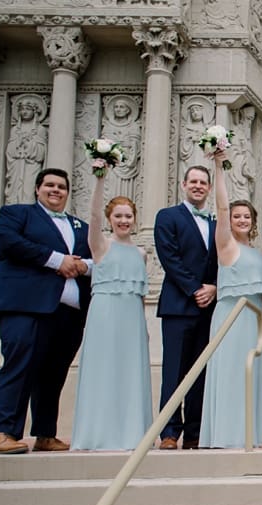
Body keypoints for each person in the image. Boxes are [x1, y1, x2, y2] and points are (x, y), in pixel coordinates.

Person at [0, 168, 91, 454]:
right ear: (37, 189)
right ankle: (3, 431)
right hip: (25, 306)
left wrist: (84, 266)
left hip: (67, 312)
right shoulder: (16, 214)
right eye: (50, 185)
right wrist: (56, 260)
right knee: (19, 366)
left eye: (61, 187)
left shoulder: (80, 226)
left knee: (53, 374)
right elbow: (9, 243)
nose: (56, 190)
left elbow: (94, 257)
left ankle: (45, 433)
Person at [70, 170, 151, 451]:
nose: (124, 221)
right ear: (110, 219)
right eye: (118, 216)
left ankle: (131, 435)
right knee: (103, 370)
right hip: (105, 314)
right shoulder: (101, 246)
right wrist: (100, 178)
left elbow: (140, 294)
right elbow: (92, 218)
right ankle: (98, 434)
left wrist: (144, 325)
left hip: (132, 316)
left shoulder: (141, 253)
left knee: (130, 372)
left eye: (128, 216)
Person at [198, 151, 262, 448]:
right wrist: (219, 167)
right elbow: (220, 205)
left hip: (252, 320)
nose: (241, 220)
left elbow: (258, 290)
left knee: (250, 375)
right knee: (230, 373)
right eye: (236, 216)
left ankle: (247, 434)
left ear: (253, 222)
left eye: (246, 217)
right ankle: (226, 434)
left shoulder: (257, 253)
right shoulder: (225, 245)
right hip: (230, 318)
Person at [154, 166, 219, 450]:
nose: (198, 186)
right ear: (183, 185)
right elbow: (169, 257)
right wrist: (195, 289)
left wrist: (215, 287)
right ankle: (169, 431)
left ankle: (194, 431)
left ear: (209, 187)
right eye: (193, 181)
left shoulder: (217, 224)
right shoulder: (167, 217)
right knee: (175, 371)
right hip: (179, 306)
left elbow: (224, 260)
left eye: (203, 182)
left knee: (200, 372)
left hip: (209, 308)